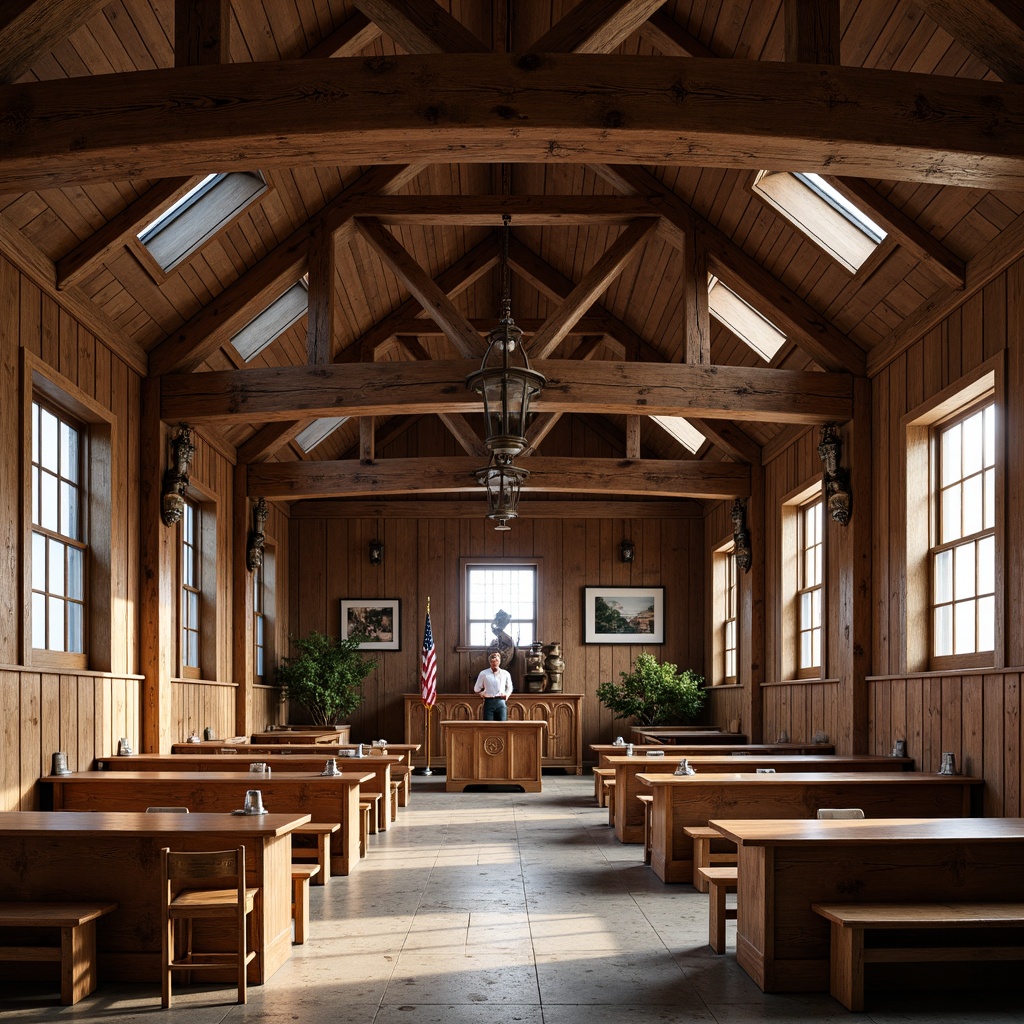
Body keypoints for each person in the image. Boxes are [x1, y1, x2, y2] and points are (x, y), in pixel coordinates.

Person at [473, 651, 513, 720]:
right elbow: (476, 688)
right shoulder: (483, 673)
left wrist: (507, 695)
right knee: (488, 726)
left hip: (501, 701)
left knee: (503, 725)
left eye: (497, 660)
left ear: (499, 661)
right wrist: (481, 693)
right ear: (490, 662)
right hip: (489, 701)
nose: (495, 663)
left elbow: (510, 687)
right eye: (493, 661)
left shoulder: (505, 673)